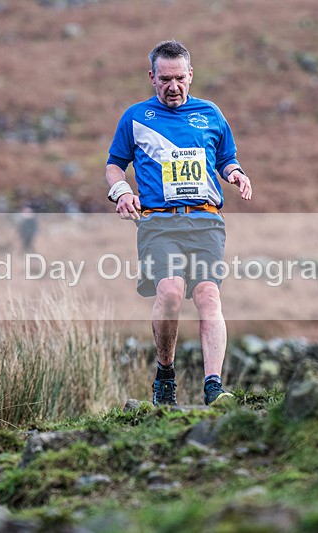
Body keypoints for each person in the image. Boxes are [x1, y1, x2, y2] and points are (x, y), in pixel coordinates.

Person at [105, 41, 252, 407]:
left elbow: (226, 158)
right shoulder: (136, 117)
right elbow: (113, 165)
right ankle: (165, 376)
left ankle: (214, 387)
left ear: (191, 76)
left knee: (208, 295)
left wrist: (236, 174)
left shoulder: (211, 113)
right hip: (158, 223)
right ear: (152, 77)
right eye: (165, 79)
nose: (173, 86)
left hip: (205, 220)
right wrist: (122, 191)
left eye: (180, 78)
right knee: (169, 293)